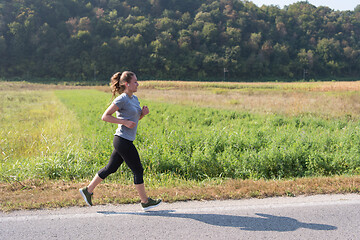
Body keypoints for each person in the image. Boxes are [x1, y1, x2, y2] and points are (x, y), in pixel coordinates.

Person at [79, 71, 161, 211]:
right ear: (126, 84)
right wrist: (123, 122)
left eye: (137, 81)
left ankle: (88, 190)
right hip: (122, 140)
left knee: (111, 168)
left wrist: (142, 114)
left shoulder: (134, 99)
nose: (138, 84)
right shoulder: (121, 99)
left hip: (125, 140)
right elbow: (105, 116)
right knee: (138, 170)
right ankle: (145, 202)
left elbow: (133, 121)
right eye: (135, 82)